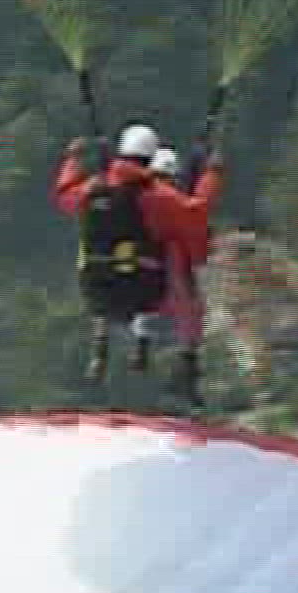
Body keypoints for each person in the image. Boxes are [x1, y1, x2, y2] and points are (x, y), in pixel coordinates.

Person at [54, 123, 224, 396]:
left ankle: (103, 345)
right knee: (176, 261)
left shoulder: (90, 190)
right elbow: (197, 213)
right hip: (142, 291)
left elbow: (64, 195)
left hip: (95, 291)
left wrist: (73, 159)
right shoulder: (156, 197)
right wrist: (211, 174)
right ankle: (186, 363)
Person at [149, 146, 209, 399]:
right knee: (189, 315)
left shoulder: (136, 196)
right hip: (171, 268)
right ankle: (184, 375)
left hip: (144, 272)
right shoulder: (172, 201)